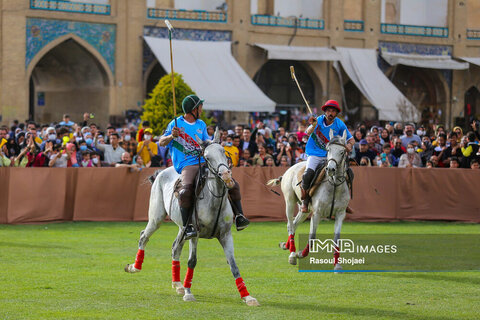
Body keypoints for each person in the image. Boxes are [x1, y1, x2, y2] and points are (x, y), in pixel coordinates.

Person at [159, 95, 249, 240]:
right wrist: (171, 136)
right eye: (199, 106)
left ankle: (239, 216)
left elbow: (206, 141)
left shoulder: (201, 124)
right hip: (186, 164)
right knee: (186, 189)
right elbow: (161, 142)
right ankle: (187, 226)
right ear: (193, 109)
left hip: (204, 161)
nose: (201, 109)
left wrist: (214, 144)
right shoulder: (175, 123)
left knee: (231, 182)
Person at [301, 100, 355, 213]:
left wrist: (349, 145)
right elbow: (307, 133)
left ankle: (344, 202)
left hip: (331, 155)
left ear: (336, 113)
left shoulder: (340, 124)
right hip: (314, 153)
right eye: (329, 111)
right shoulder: (318, 120)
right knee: (308, 174)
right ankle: (305, 201)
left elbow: (351, 139)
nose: (331, 113)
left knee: (349, 173)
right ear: (325, 112)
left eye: (333, 111)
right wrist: (313, 125)